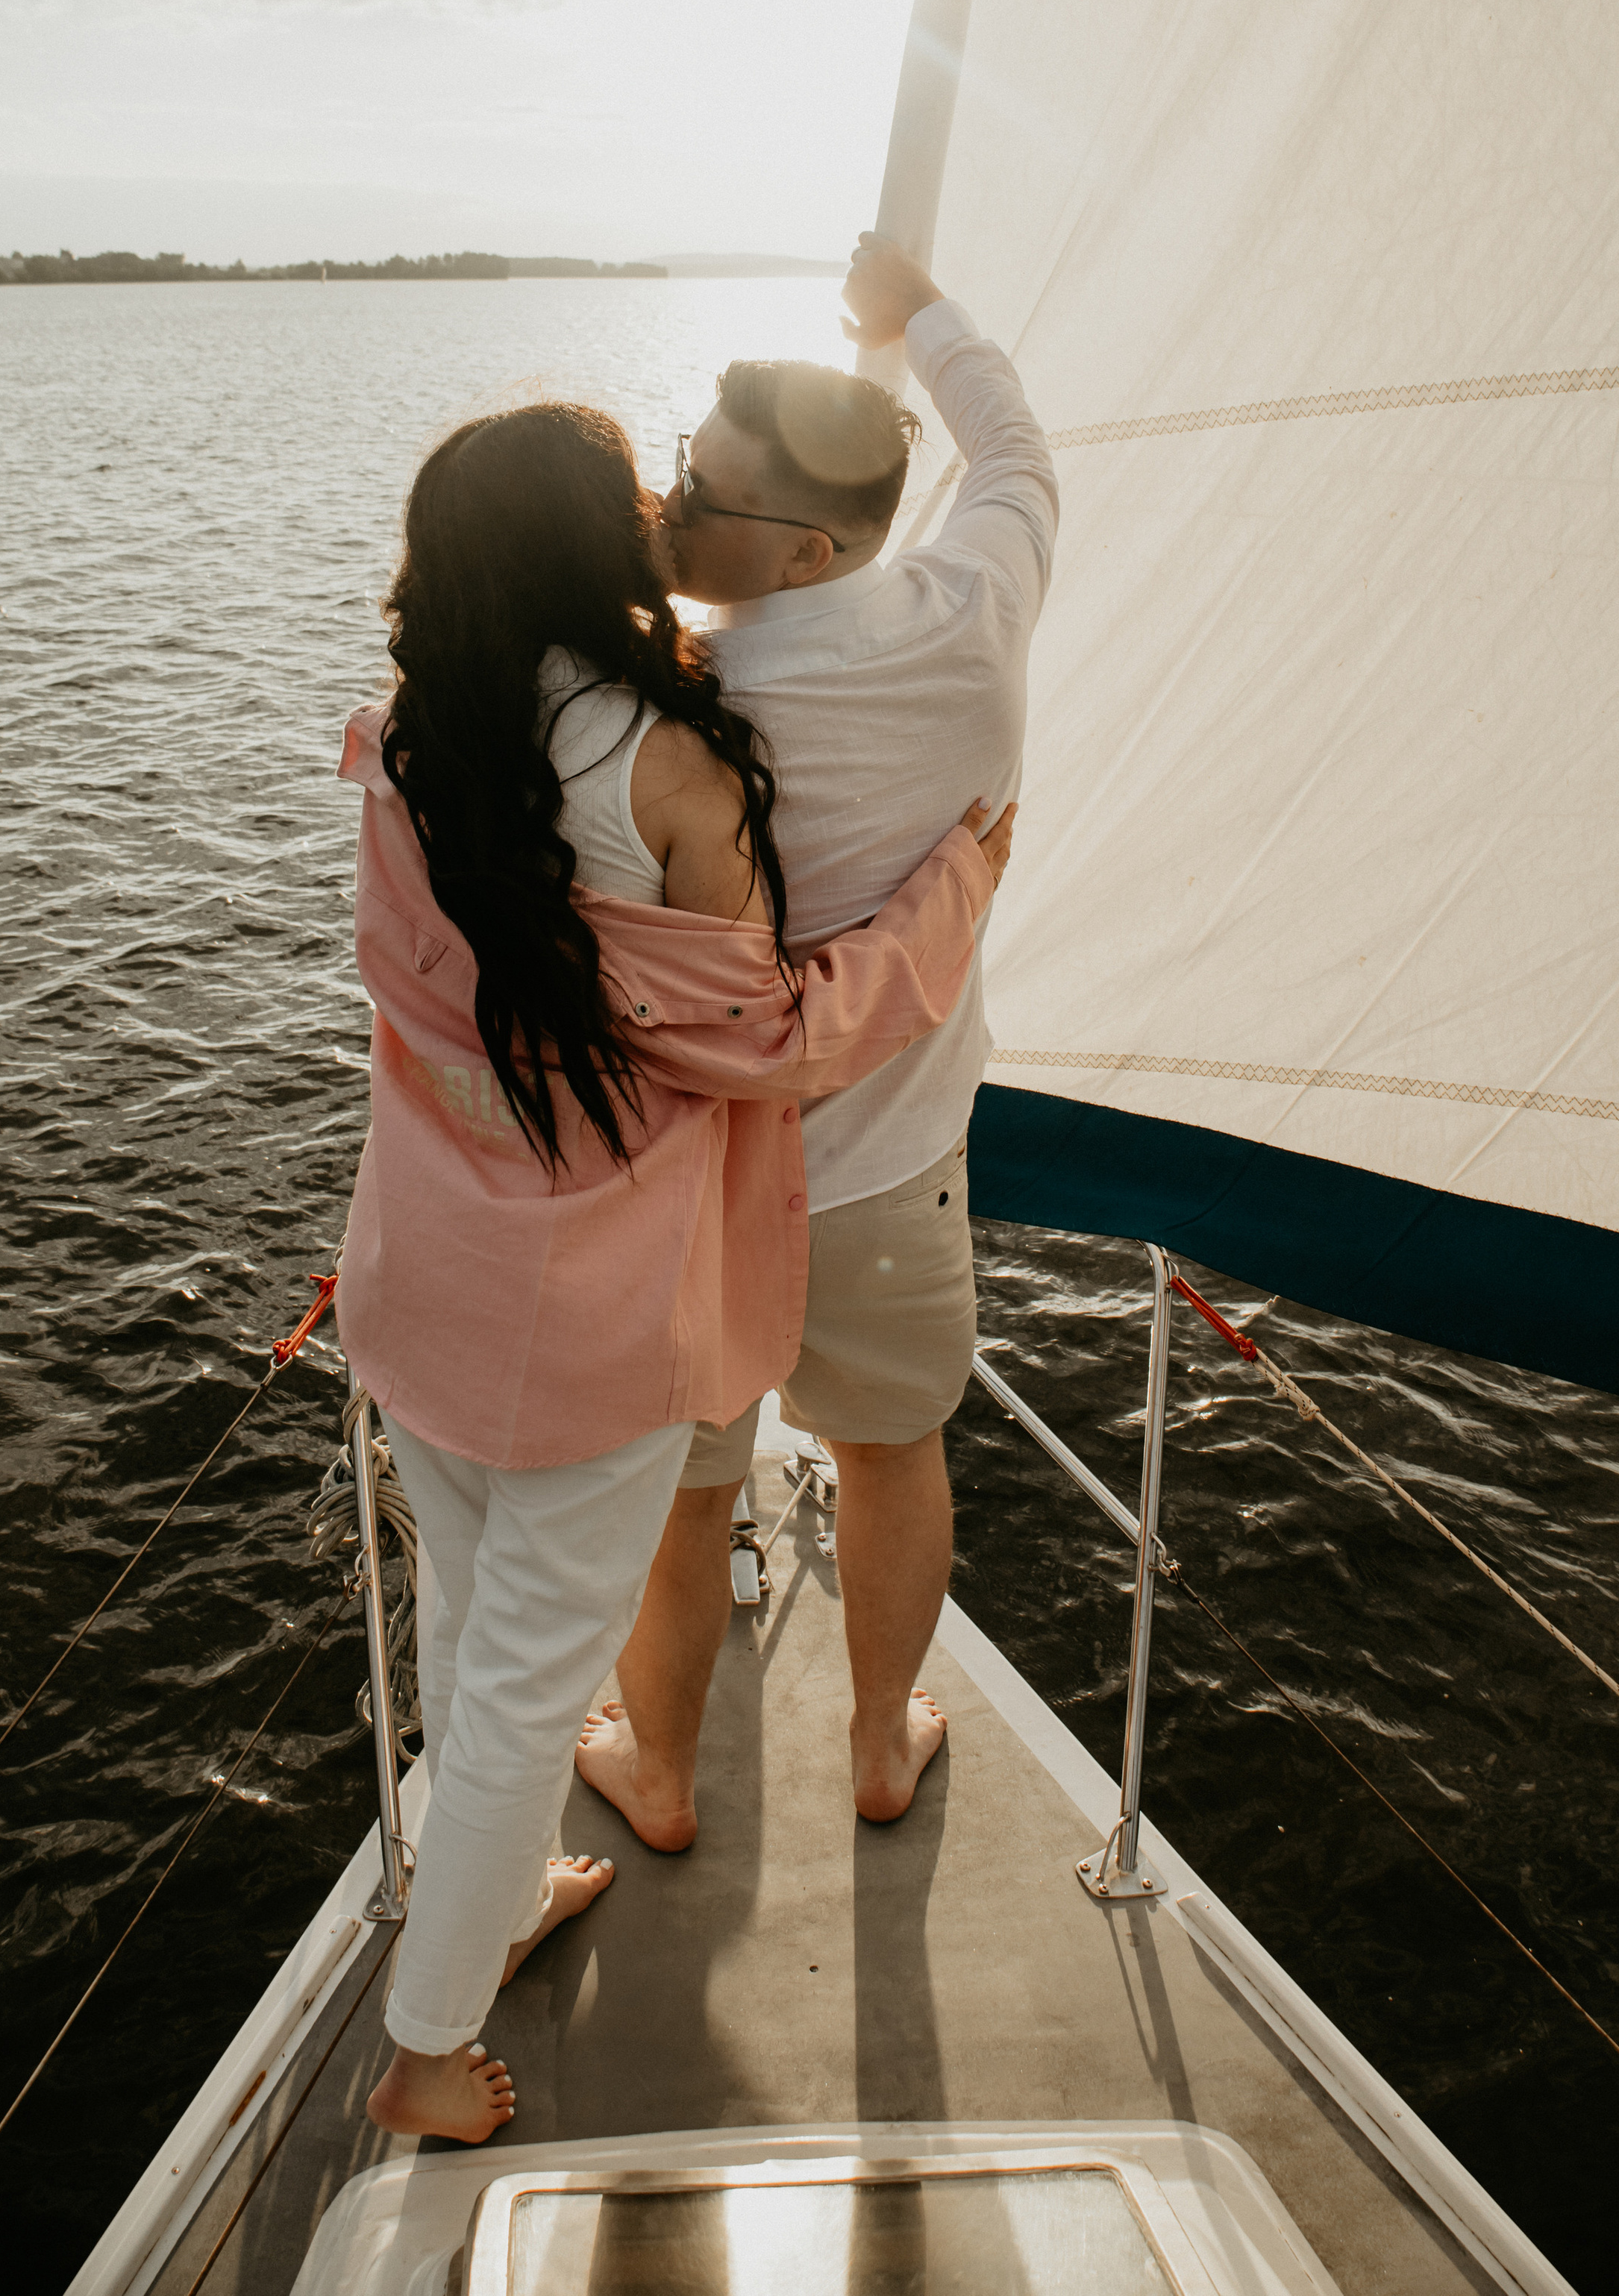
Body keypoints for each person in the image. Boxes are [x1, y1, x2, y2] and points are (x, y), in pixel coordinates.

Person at [333, 395, 1015, 2145]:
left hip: (426, 1284)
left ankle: (496, 1899)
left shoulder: (422, 737)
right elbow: (768, 1044)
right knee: (517, 1693)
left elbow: (427, 997)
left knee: (473, 1629)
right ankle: (423, 2048)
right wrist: (948, 899)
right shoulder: (666, 768)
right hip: (584, 1327)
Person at [577, 230, 1056, 1840]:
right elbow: (1012, 446)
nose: (664, 506)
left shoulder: (680, 704)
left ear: (795, 551)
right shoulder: (984, 599)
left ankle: (658, 1773)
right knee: (891, 1455)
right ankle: (874, 1740)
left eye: (699, 495)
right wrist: (921, 313)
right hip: (895, 1170)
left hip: (707, 1188)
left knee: (687, 1492)